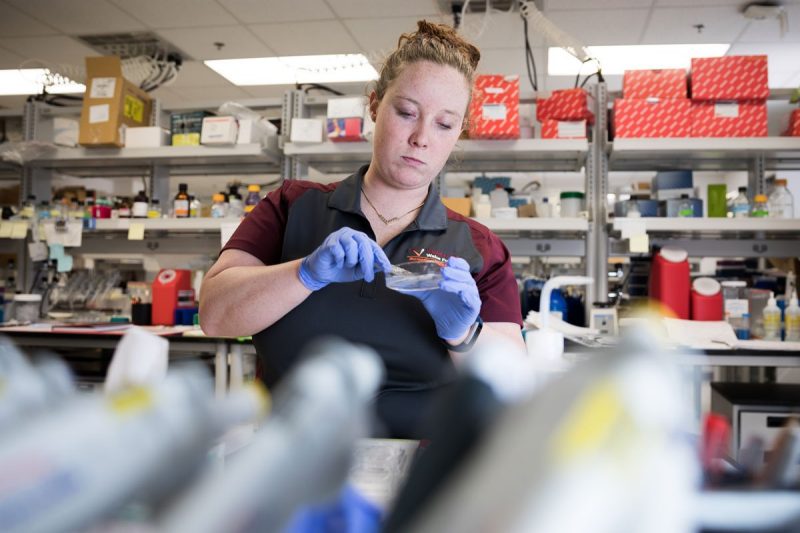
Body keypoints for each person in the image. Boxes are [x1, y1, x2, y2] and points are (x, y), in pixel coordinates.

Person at [199, 20, 525, 438]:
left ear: (458, 133)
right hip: (286, 458)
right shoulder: (292, 206)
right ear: (374, 106)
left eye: (444, 124)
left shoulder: (480, 247)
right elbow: (213, 315)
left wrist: (465, 333)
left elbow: (514, 384)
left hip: (416, 470)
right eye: (407, 113)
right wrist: (304, 274)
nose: (421, 137)